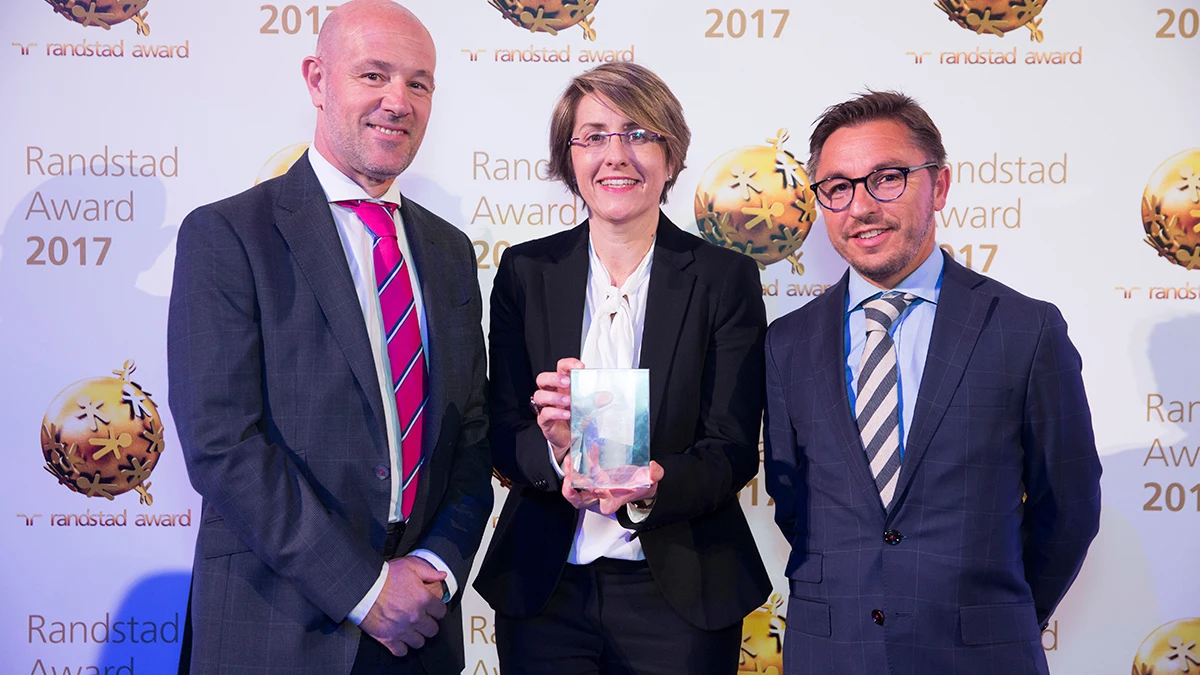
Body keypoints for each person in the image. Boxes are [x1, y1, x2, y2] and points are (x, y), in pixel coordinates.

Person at [166, 2, 492, 673]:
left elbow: (471, 436)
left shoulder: (451, 250)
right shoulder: (228, 236)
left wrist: (432, 568)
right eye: (373, 75)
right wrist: (366, 589)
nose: (397, 102)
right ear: (317, 80)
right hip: (276, 632)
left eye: (419, 83)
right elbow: (223, 442)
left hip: (418, 637)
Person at [762, 90, 1102, 675]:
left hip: (980, 656)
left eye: (887, 178)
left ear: (939, 186)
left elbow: (1069, 508)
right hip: (831, 654)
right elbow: (793, 504)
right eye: (837, 187)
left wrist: (997, 614)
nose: (860, 206)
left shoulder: (1024, 328)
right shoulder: (787, 342)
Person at [473, 62, 771, 674]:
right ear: (569, 157)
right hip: (546, 591)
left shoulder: (724, 279)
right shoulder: (526, 273)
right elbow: (500, 427)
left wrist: (655, 483)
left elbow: (733, 446)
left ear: (670, 153)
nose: (617, 155)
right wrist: (557, 455)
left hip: (682, 590)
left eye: (639, 133)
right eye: (595, 135)